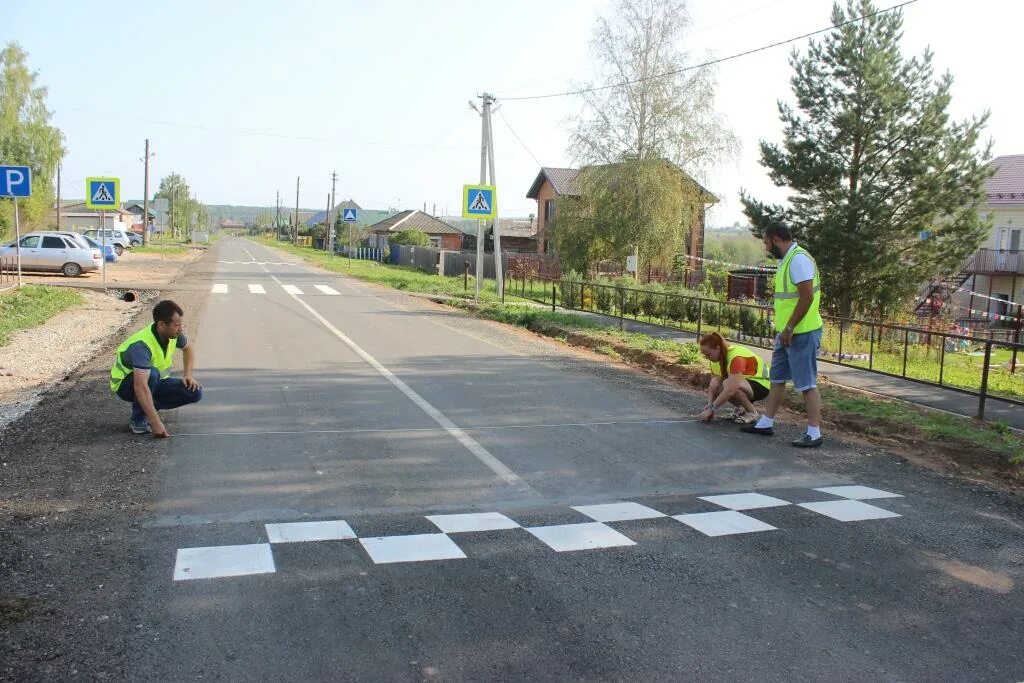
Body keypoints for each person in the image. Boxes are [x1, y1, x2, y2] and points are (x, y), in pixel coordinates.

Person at [742, 221, 824, 447]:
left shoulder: (798, 260)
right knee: (777, 379)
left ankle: (814, 432)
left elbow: (806, 297)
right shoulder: (786, 260)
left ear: (776, 239)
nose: (767, 248)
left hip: (801, 332)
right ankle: (766, 422)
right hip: (786, 333)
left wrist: (790, 328)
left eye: (767, 243)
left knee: (806, 384)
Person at [110, 300, 202, 437]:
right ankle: (138, 419)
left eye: (180, 324)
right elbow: (140, 385)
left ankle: (149, 407)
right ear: (161, 325)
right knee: (151, 374)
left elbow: (188, 349)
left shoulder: (173, 335)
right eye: (177, 325)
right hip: (125, 385)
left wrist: (188, 375)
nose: (180, 329)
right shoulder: (142, 344)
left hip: (156, 382)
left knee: (195, 391)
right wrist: (156, 422)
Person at [696, 332, 770, 424]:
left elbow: (731, 389)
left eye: (708, 354)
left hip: (762, 384)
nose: (707, 358)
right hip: (744, 383)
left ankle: (752, 413)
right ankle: (739, 410)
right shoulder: (714, 360)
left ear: (718, 348)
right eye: (705, 355)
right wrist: (709, 406)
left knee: (728, 385)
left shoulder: (736, 357)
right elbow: (713, 386)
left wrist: (712, 409)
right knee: (716, 382)